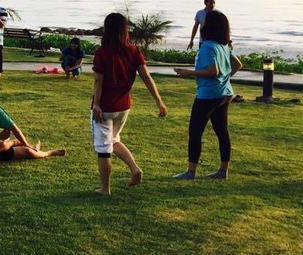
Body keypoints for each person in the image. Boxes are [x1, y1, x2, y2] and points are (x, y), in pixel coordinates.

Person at [91, 12, 168, 195]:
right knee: (114, 139)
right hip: (124, 107)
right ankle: (134, 168)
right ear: (125, 30)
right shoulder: (134, 51)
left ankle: (105, 189)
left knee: (103, 150)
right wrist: (159, 102)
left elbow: (98, 81)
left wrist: (96, 104)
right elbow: (146, 77)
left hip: (105, 107)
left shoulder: (102, 53)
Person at [173, 10, 242, 180]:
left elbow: (213, 71)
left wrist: (189, 72)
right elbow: (238, 65)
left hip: (208, 95)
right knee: (222, 132)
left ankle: (191, 172)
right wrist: (225, 78)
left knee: (195, 132)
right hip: (225, 94)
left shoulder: (208, 46)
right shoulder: (224, 45)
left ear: (208, 26)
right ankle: (223, 171)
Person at [0, 76, 66, 161]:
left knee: (11, 139)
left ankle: (31, 146)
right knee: (27, 151)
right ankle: (49, 153)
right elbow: (15, 129)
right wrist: (27, 145)